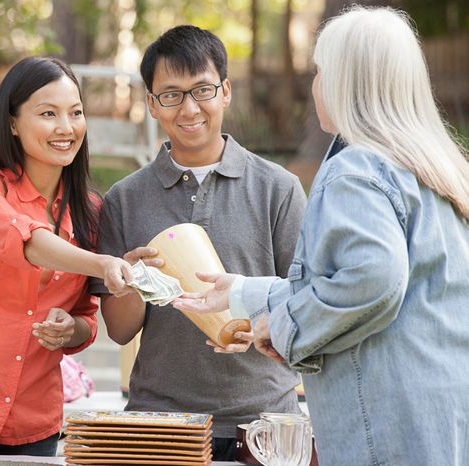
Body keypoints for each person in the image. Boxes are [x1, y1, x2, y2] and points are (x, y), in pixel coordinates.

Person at [173, 7, 469, 466]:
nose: (315, 86)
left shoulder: (356, 170)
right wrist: (244, 294)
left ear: (347, 81)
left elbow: (371, 279)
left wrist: (285, 325)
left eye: (319, 71)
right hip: (441, 414)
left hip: (386, 424)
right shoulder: (434, 169)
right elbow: (364, 281)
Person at [88, 25, 307, 461]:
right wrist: (129, 282)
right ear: (151, 104)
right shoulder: (124, 199)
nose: (189, 108)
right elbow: (120, 330)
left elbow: (305, 298)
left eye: (202, 90)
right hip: (160, 422)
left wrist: (260, 329)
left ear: (225, 91)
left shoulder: (278, 188)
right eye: (171, 94)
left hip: (263, 423)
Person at [0, 56, 133, 456]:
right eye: (48, 114)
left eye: (76, 113)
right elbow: (25, 241)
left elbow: (86, 318)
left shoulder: (91, 211)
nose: (66, 128)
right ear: (12, 122)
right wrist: (100, 262)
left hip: (38, 423)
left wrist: (71, 329)